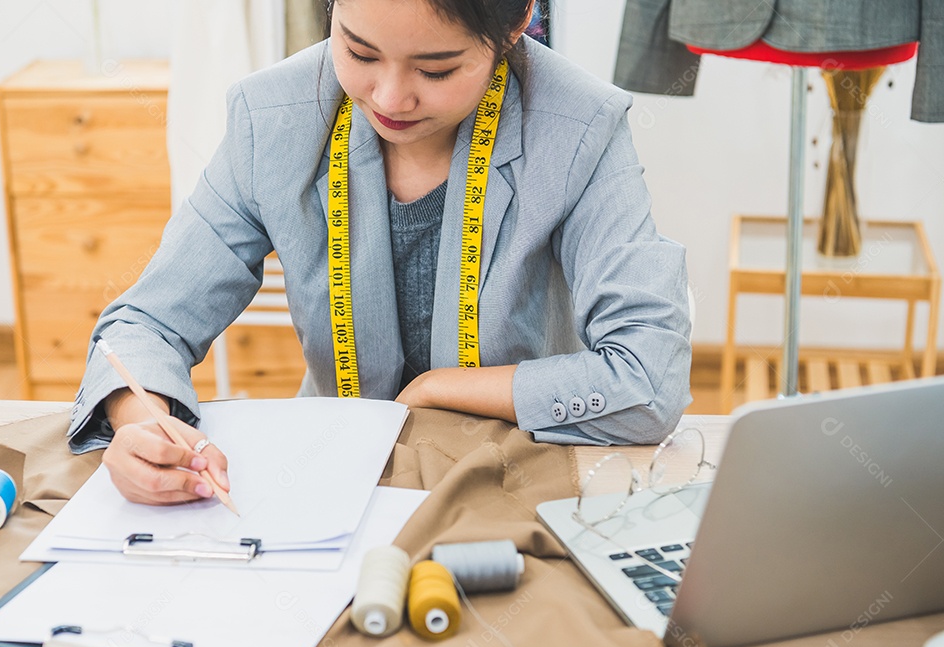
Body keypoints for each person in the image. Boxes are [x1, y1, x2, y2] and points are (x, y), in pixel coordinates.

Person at [68, 0, 693, 505]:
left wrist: (438, 388)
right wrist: (140, 422)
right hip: (329, 475)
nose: (390, 98)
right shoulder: (272, 118)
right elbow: (146, 324)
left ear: (516, 23)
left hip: (517, 473)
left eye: (436, 70)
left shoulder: (580, 128)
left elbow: (648, 381)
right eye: (359, 52)